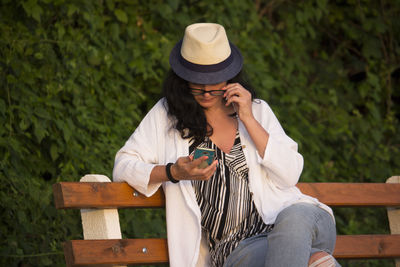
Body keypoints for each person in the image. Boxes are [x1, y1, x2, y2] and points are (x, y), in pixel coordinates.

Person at [113, 23, 340, 267]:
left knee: (293, 220)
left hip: (301, 221)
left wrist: (248, 118)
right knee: (316, 262)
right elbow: (123, 166)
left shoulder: (256, 110)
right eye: (197, 81)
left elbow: (290, 173)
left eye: (214, 80)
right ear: (183, 78)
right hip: (239, 249)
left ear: (230, 76)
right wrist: (174, 172)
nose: (207, 90)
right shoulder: (166, 115)